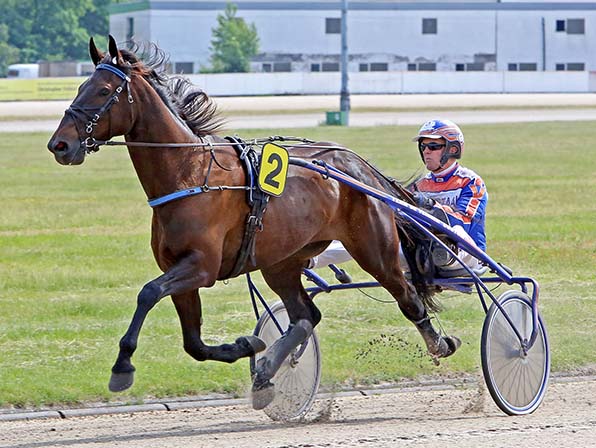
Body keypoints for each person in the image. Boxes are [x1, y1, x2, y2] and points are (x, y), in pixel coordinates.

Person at [309, 118, 488, 275]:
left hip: (466, 254)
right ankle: (309, 260)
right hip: (419, 254)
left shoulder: (471, 182)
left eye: (433, 146)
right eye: (423, 146)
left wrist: (430, 206)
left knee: (455, 233)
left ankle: (441, 252)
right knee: (365, 237)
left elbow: (464, 221)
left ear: (453, 149)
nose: (426, 151)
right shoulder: (419, 186)